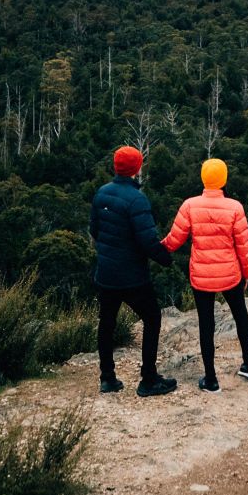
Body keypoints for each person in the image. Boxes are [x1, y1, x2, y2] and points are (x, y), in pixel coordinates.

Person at [162, 157, 248, 392]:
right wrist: (247, 273)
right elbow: (243, 247)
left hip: (202, 275)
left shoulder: (190, 205)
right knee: (240, 316)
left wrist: (152, 247)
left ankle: (210, 379)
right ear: (224, 180)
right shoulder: (235, 207)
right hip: (230, 273)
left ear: (203, 179)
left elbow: (173, 240)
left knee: (206, 324)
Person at [89, 145, 177, 397]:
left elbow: (94, 230)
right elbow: (148, 240)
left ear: (115, 166)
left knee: (106, 324)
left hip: (106, 274)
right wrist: (166, 259)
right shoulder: (137, 199)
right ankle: (148, 379)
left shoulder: (102, 193)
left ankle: (107, 378)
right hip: (132, 277)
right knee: (152, 318)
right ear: (137, 169)